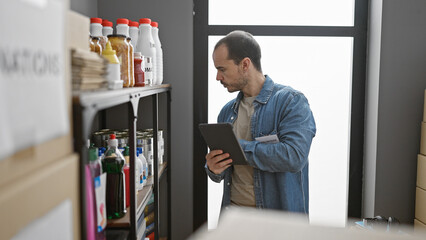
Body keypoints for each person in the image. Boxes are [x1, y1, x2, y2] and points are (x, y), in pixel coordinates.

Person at [205, 30, 316, 214]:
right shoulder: (226, 112)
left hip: (275, 224)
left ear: (245, 64)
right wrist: (213, 168)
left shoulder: (291, 102)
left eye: (222, 69)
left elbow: (294, 157)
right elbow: (223, 173)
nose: (218, 77)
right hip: (234, 218)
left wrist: (239, 148)